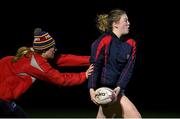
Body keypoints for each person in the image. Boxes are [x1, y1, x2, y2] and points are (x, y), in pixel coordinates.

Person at [0, 28, 93, 117]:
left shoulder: (32, 53)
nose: (55, 49)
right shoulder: (36, 63)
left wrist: (91, 59)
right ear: (44, 50)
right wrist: (84, 75)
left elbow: (63, 59)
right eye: (53, 47)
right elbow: (60, 79)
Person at [88, 9, 141, 118]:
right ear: (115, 24)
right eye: (125, 21)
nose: (129, 23)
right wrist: (91, 88)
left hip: (117, 91)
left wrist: (119, 86)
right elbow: (95, 65)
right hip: (104, 91)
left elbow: (128, 69)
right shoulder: (104, 40)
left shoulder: (131, 43)